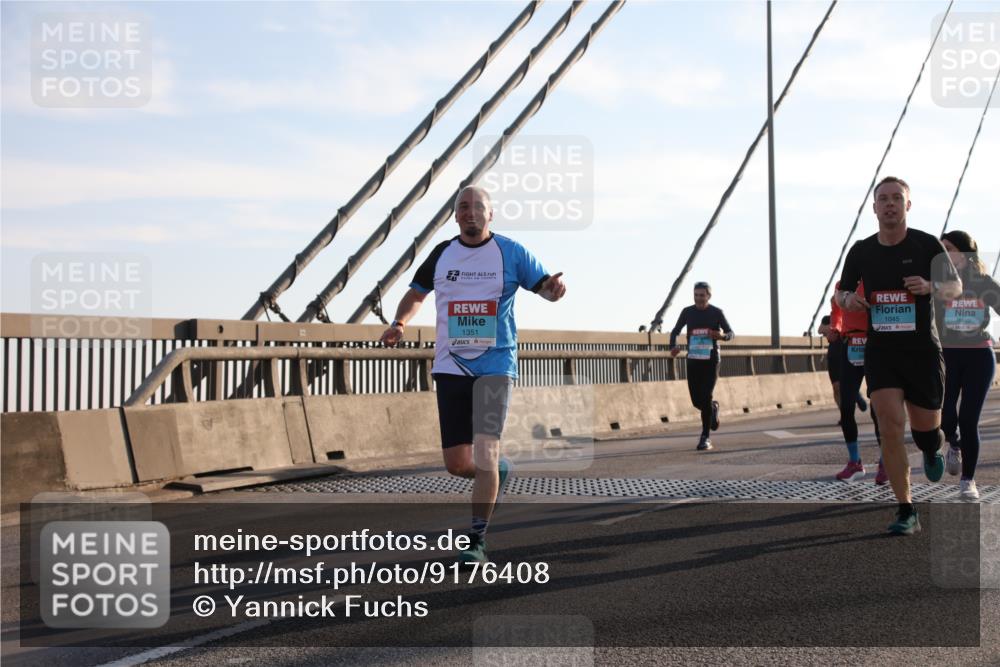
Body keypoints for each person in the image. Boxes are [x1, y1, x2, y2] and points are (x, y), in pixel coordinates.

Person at [379, 185, 566, 564]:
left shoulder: (511, 252)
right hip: (451, 365)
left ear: (490, 214)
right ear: (455, 215)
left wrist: (554, 290)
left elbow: (545, 289)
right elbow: (416, 294)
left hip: (496, 365)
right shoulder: (442, 254)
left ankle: (476, 541)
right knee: (458, 464)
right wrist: (399, 323)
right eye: (462, 207)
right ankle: (497, 472)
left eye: (477, 206)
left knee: (485, 451)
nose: (470, 212)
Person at [838, 176, 961, 535]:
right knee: (890, 428)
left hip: (922, 352)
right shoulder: (861, 251)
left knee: (926, 433)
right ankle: (906, 509)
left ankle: (932, 448)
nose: (889, 204)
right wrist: (850, 300)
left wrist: (930, 286)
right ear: (874, 208)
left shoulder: (927, 245)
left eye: (896, 198)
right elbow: (841, 294)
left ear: (907, 205)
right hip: (882, 352)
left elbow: (955, 287)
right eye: (883, 199)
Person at [937, 230, 1000, 501]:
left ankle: (968, 480)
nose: (943, 253)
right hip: (949, 356)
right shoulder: (938, 282)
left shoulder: (984, 282)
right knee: (946, 418)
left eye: (948, 248)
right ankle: (954, 444)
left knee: (968, 419)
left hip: (979, 356)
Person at [827, 282, 885, 484]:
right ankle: (855, 463)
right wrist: (835, 328)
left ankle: (886, 462)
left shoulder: (874, 277)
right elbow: (836, 310)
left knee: (877, 410)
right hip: (850, 345)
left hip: (874, 344)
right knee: (846, 407)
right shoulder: (842, 284)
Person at [669, 282, 734, 451]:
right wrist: (673, 346)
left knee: (705, 396)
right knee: (696, 401)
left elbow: (730, 333)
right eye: (696, 295)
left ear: (708, 296)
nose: (698, 298)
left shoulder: (716, 312)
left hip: (711, 361)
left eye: (702, 295)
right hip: (693, 360)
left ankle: (705, 437)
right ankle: (712, 408)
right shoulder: (687, 312)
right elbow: (675, 331)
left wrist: (721, 336)